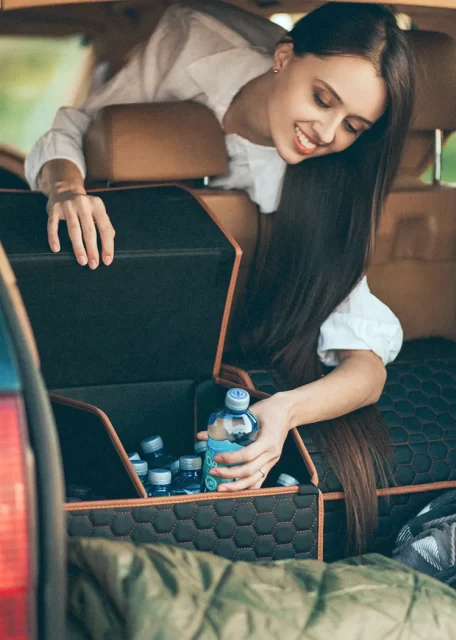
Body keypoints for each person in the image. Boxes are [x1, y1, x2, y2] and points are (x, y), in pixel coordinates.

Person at [25, 1, 414, 550]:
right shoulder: (189, 41)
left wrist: (282, 413)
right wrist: (68, 189)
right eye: (322, 98)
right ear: (284, 58)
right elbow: (80, 125)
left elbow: (367, 370)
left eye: (352, 125)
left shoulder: (330, 185)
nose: (325, 132)